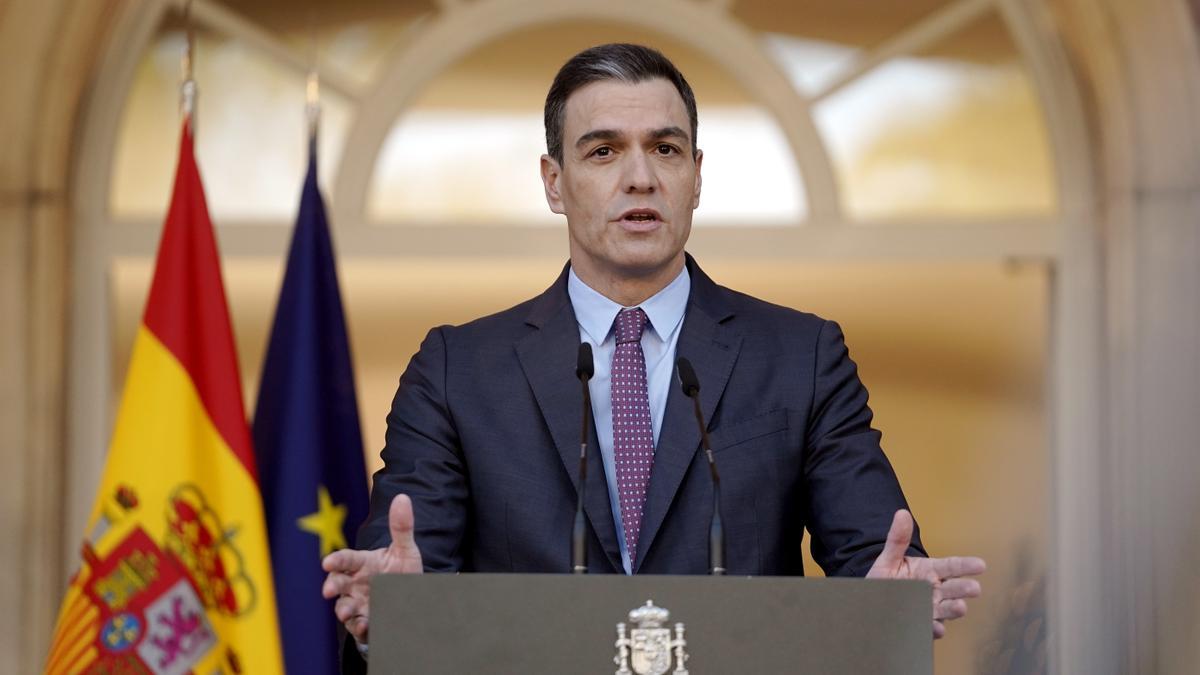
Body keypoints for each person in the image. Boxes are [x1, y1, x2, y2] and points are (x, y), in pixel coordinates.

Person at [322, 42, 985, 667]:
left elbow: (875, 556)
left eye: (664, 148)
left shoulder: (802, 356)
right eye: (604, 151)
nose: (640, 177)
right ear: (554, 182)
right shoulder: (458, 369)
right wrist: (395, 617)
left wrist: (884, 602)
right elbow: (408, 575)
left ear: (695, 177)